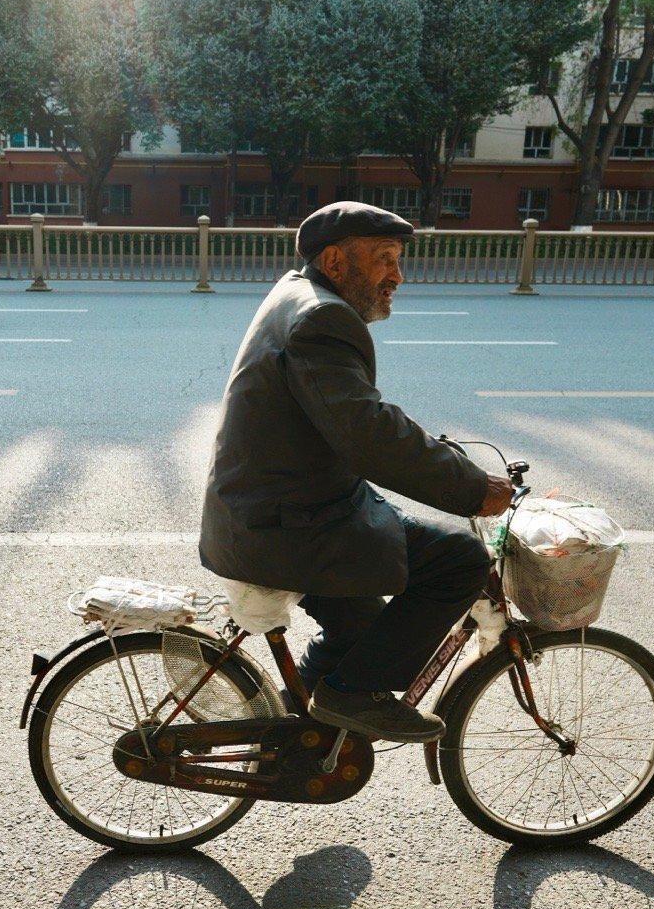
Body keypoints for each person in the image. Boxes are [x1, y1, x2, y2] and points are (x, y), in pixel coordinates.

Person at [199, 201, 513, 743]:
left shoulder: (300, 293)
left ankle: (307, 731)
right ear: (337, 261)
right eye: (384, 259)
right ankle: (350, 697)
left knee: (367, 628)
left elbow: (356, 413)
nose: (397, 275)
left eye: (397, 260)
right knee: (461, 560)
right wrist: (471, 487)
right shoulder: (325, 319)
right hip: (290, 526)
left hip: (273, 509)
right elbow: (367, 434)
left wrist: (441, 454)